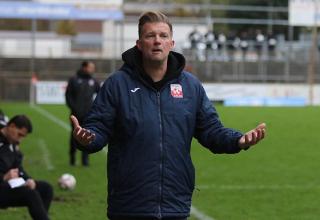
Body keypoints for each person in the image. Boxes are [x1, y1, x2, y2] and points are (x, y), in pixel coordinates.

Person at [71, 11, 266, 220]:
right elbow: (98, 127)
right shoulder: (117, 84)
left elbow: (211, 130)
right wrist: (87, 137)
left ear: (171, 43)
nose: (157, 41)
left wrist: (237, 140)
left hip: (176, 203)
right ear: (139, 43)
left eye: (163, 36)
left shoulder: (190, 86)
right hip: (129, 205)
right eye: (150, 36)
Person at [0, 115, 53, 220]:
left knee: (46, 189)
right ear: (12, 126)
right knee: (30, 195)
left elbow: (18, 167)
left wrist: (28, 179)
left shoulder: (12, 143)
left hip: (8, 185)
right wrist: (3, 178)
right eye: (20, 135)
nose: (20, 140)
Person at [65, 61, 100, 166]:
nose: (93, 69)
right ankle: (72, 159)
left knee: (87, 135)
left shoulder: (93, 81)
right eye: (91, 67)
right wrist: (74, 108)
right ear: (84, 68)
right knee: (74, 136)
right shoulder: (74, 80)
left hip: (89, 115)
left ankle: (85, 160)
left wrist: (95, 108)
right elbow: (68, 96)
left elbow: (101, 94)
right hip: (75, 114)